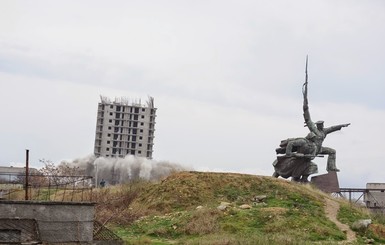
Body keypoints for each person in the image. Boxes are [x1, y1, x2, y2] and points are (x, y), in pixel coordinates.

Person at [303, 82, 350, 172]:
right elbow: (308, 120)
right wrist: (305, 107)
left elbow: (332, 128)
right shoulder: (313, 128)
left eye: (322, 125)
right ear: (317, 125)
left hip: (319, 149)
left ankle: (331, 167)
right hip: (312, 149)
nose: (321, 126)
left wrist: (342, 125)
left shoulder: (324, 131)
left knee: (332, 151)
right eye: (319, 125)